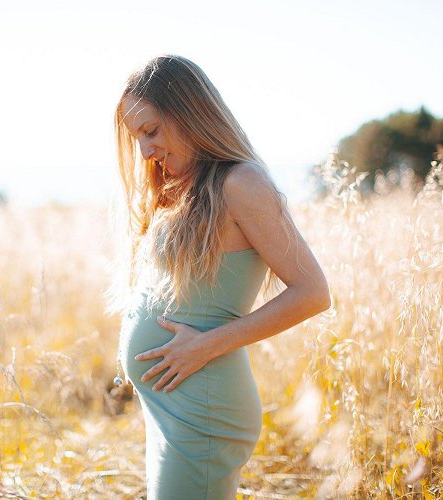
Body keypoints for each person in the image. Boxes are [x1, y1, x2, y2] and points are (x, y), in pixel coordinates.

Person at [112, 55, 330, 500]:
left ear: (188, 111)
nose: (145, 151)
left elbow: (313, 293)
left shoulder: (241, 182)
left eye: (151, 131)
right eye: (138, 137)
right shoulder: (180, 187)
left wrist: (205, 345)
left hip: (203, 412)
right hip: (173, 407)